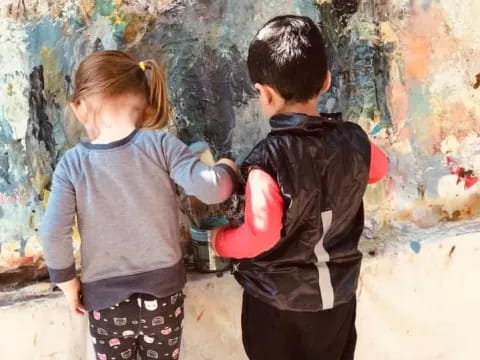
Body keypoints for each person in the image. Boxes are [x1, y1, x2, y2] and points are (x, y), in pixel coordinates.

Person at [212, 15, 389, 360]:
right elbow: (379, 168)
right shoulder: (353, 139)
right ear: (325, 82)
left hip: (277, 306)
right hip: (337, 298)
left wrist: (222, 242)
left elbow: (261, 234)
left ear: (263, 94)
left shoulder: (266, 161)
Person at [40, 50, 237, 360]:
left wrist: (68, 284)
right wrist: (229, 170)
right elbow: (212, 190)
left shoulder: (72, 164)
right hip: (163, 295)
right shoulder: (161, 145)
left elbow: (53, 233)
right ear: (146, 106)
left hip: (104, 302)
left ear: (79, 107)